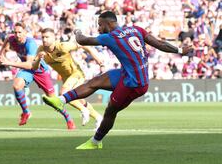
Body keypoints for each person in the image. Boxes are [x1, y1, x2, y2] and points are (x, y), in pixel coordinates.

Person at [42, 11, 193, 149]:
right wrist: (180, 50)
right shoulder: (136, 29)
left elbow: (82, 40)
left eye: (100, 25)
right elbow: (160, 44)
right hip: (126, 73)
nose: (99, 29)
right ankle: (61, 100)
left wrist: (77, 30)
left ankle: (95, 142)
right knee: (95, 82)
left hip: (134, 83)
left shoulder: (110, 37)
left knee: (110, 111)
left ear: (109, 24)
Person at [0, 22, 76, 129]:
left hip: (39, 70)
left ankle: (68, 118)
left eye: (20, 32)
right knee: (17, 85)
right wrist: (1, 54)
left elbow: (30, 65)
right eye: (15, 32)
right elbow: (7, 39)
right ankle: (26, 112)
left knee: (53, 100)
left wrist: (9, 62)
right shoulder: (12, 39)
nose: (17, 35)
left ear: (25, 32)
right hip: (27, 70)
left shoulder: (31, 44)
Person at [32, 28, 103, 129]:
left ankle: (84, 110)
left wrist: (100, 62)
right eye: (43, 37)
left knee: (64, 94)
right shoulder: (40, 50)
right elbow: (34, 67)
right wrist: (39, 58)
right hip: (66, 78)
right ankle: (98, 118)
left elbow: (84, 46)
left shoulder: (62, 46)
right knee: (80, 101)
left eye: (47, 37)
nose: (44, 39)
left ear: (54, 38)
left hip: (76, 74)